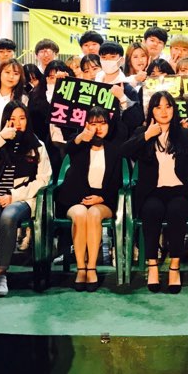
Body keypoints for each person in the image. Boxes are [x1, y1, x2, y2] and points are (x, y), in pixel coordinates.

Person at [122, 91, 188, 293]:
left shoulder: (184, 133)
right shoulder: (143, 131)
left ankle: (174, 266)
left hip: (179, 190)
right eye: (158, 107)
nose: (164, 111)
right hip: (152, 190)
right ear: (151, 110)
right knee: (152, 211)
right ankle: (152, 266)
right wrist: (146, 136)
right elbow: (124, 152)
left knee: (178, 211)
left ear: (174, 109)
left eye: (168, 106)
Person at [0, 102, 52, 298]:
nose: (17, 123)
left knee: (8, 216)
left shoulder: (37, 145)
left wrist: (14, 195)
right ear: (6, 121)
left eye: (22, 118)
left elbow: (44, 180)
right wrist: (0, 137)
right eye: (12, 119)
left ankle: (1, 273)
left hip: (21, 199)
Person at [54, 106, 123, 292]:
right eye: (93, 124)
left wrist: (101, 197)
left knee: (93, 214)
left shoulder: (115, 149)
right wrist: (80, 138)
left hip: (103, 200)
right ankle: (80, 267)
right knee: (80, 214)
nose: (98, 128)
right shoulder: (80, 146)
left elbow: (117, 181)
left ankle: (91, 267)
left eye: (102, 123)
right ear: (86, 125)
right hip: (76, 198)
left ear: (109, 125)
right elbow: (67, 148)